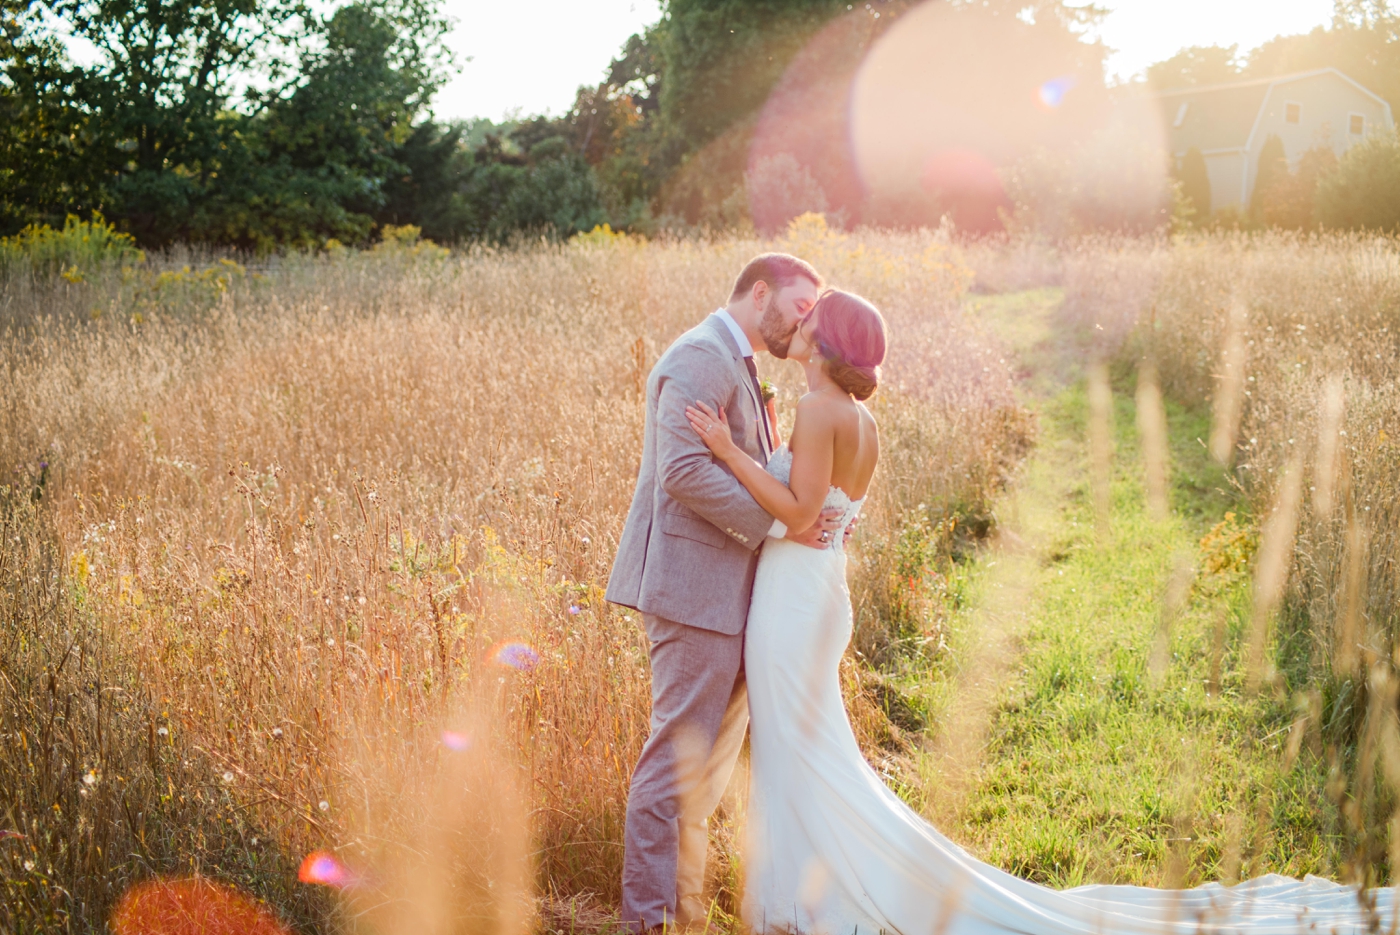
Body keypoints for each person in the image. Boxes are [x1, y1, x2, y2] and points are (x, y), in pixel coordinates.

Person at [688, 289, 1393, 935]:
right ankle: (804, 889)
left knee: (797, 749)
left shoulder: (820, 411)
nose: (800, 319)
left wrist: (725, 449)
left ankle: (809, 896)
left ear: (826, 340)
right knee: (808, 750)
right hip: (819, 591)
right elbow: (819, 503)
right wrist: (771, 445)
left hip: (794, 600)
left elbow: (797, 509)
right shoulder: (856, 418)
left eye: (813, 315)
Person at [605, 253, 854, 932]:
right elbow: (683, 471)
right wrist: (780, 522)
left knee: (704, 776)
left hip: (731, 599)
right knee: (672, 770)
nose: (808, 321)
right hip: (691, 595)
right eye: (802, 306)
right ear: (762, 292)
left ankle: (681, 912)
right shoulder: (702, 355)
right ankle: (645, 923)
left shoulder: (740, 363)